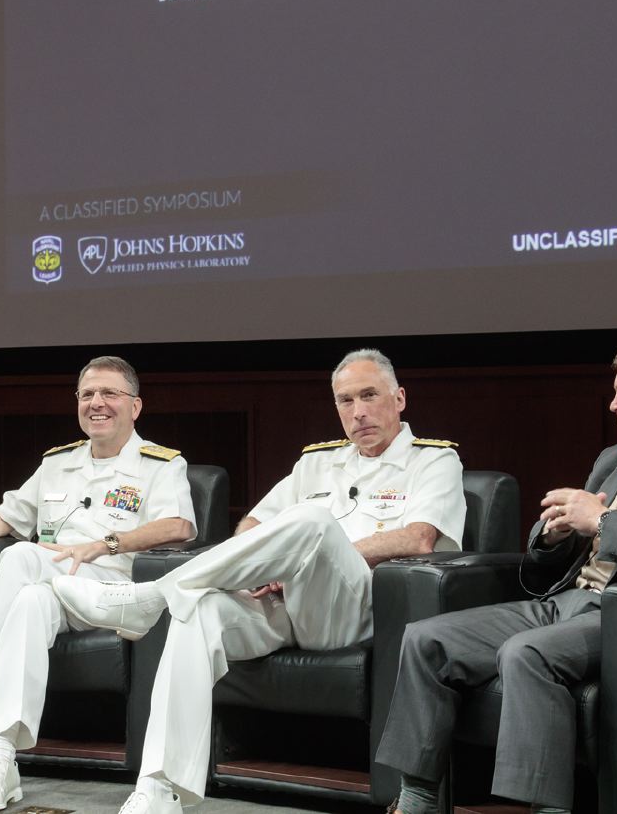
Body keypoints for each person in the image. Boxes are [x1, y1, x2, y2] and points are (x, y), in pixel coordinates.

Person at [53, 348, 467, 814]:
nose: (359, 412)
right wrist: (271, 563)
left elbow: (420, 537)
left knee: (312, 521)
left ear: (400, 398)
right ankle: (159, 785)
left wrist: (308, 556)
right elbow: (251, 524)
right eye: (346, 401)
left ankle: (153, 595)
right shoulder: (317, 463)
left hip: (358, 611)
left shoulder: (434, 461)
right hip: (287, 607)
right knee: (199, 611)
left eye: (369, 396)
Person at [376, 338, 617, 814]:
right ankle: (417, 799)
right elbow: (557, 548)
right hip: (567, 603)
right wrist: (554, 534)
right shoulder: (613, 461)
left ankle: (547, 808)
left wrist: (601, 523)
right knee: (425, 639)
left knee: (527, 653)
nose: (613, 404)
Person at [0, 355, 196, 812]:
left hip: (114, 594)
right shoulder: (58, 464)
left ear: (136, 406)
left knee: (24, 555)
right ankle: (2, 761)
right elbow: (8, 515)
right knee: (27, 598)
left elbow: (180, 526)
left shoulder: (161, 465)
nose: (97, 403)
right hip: (55, 591)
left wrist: (105, 543)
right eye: (87, 394)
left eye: (109, 393)